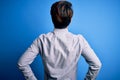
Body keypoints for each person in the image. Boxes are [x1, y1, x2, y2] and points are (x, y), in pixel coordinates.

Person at [17, 1, 102, 80]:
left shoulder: (42, 40)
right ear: (71, 19)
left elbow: (22, 63)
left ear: (52, 18)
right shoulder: (79, 40)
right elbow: (97, 64)